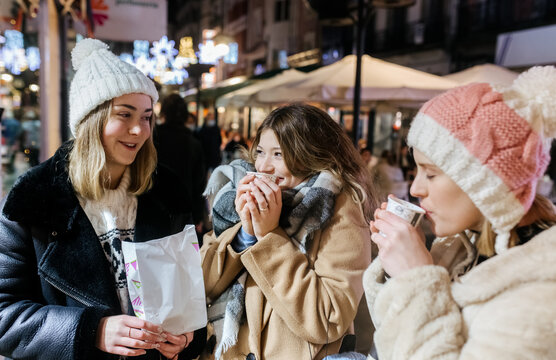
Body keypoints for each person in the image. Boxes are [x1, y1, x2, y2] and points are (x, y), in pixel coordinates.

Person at [0, 38, 205, 360]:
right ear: (90, 120)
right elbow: (4, 314)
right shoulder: (34, 198)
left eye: (147, 117)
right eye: (124, 115)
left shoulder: (166, 191)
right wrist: (89, 331)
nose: (139, 130)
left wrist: (187, 334)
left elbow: (189, 288)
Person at [366, 66, 556, 359]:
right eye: (416, 169)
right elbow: (393, 340)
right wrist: (400, 266)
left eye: (430, 174)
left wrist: (415, 275)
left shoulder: (542, 291)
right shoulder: (461, 245)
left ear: (486, 183)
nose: (416, 188)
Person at [200, 103, 378, 360]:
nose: (264, 167)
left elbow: (327, 320)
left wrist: (269, 237)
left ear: (311, 155)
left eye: (279, 155)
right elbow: (202, 284)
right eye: (260, 152)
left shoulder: (339, 209)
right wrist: (245, 235)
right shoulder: (239, 193)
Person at [154, 93, 206, 233]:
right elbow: (199, 184)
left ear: (163, 113)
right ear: (185, 115)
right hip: (183, 212)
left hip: (152, 207)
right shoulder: (194, 143)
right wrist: (198, 217)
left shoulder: (153, 138)